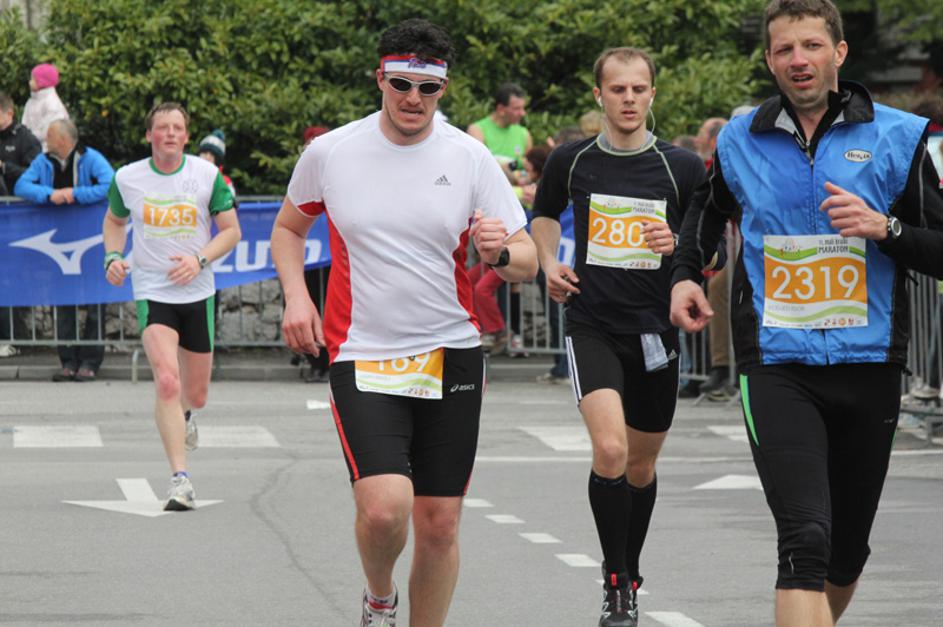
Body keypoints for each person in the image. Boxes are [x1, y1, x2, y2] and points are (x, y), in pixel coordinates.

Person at [670, 1, 943, 625]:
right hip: (776, 364)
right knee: (805, 538)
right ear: (770, 60)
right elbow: (707, 212)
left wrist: (885, 228)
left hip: (869, 363)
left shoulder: (898, 137)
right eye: (785, 49)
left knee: (845, 554)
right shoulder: (740, 138)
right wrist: (686, 274)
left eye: (812, 46)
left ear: (838, 53)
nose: (799, 60)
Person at [271, 19, 537, 627]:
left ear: (444, 88)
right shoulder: (331, 152)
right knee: (385, 509)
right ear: (380, 79)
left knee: (439, 523)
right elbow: (288, 228)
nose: (414, 98)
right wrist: (296, 298)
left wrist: (498, 251)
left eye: (428, 87)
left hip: (451, 351)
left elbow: (526, 260)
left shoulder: (469, 157)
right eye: (401, 84)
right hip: (363, 351)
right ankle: (379, 597)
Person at [531, 47, 722, 627]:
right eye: (618, 89)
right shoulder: (571, 160)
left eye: (639, 89)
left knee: (640, 466)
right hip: (592, 323)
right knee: (611, 450)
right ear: (600, 95)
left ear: (653, 94)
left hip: (655, 331)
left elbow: (712, 249)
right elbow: (544, 214)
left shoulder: (682, 167)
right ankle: (616, 583)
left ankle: (629, 570)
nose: (630, 99)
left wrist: (680, 247)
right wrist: (549, 263)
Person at [103, 102, 240, 511]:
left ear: (186, 136)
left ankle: (186, 416)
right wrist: (113, 257)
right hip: (153, 290)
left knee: (195, 394)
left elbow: (231, 231)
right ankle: (181, 479)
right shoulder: (127, 178)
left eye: (177, 128)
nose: (170, 134)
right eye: (162, 127)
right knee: (166, 380)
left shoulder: (206, 176)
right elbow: (114, 221)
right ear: (149, 135)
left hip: (197, 291)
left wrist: (199, 259)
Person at [15, 118, 114, 381]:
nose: (45, 140)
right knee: (63, 300)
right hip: (58, 241)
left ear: (63, 139)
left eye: (49, 136)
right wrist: (50, 195)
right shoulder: (44, 161)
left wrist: (75, 194)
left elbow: (111, 185)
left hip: (91, 241)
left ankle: (90, 361)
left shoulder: (90, 158)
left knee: (95, 301)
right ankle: (68, 361)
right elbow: (22, 186)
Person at [694, 116, 735, 400]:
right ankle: (721, 366)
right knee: (718, 286)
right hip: (728, 247)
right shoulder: (709, 168)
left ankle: (731, 366)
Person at [467, 81, 533, 178]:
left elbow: (531, 171)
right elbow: (481, 168)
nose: (523, 113)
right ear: (501, 109)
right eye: (517, 109)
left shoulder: (524, 134)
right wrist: (516, 164)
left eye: (523, 108)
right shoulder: (477, 130)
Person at [0, 91, 42, 196]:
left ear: (10, 113)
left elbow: (35, 176)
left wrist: (4, 167)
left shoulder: (26, 139)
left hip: (15, 202)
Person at [21, 63, 69, 152]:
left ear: (42, 82)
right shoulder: (31, 101)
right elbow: (24, 124)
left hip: (47, 151)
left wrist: (26, 137)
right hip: (30, 148)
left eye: (33, 79)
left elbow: (47, 132)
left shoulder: (53, 104)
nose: (29, 82)